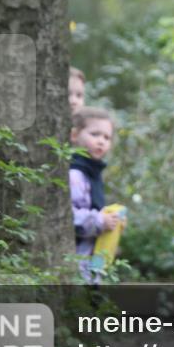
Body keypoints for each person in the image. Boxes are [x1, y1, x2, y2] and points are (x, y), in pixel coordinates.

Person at [69, 106, 122, 282]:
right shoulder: (75, 175)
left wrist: (113, 220)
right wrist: (100, 221)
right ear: (75, 135)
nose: (101, 141)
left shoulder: (93, 173)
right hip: (75, 263)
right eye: (95, 134)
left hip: (91, 262)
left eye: (107, 137)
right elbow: (68, 217)